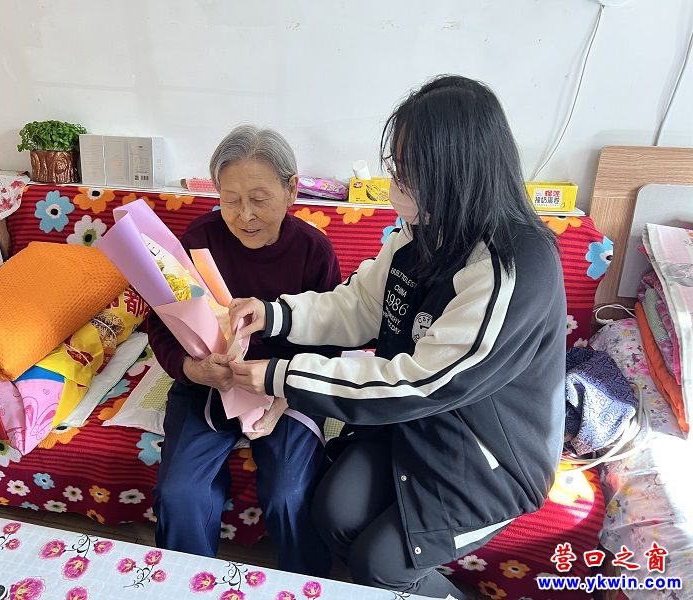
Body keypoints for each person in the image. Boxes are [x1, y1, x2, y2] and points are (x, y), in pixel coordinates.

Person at [229, 76, 566, 598]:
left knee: (379, 565)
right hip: (411, 423)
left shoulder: (512, 267)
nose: (395, 179)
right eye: (397, 164)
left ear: (454, 169)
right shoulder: (422, 231)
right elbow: (359, 305)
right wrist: (272, 315)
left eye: (408, 168)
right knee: (332, 513)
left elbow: (421, 382)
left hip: (487, 456)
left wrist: (281, 376)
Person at [148, 125, 340, 577]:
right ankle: (187, 583)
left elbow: (331, 343)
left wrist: (282, 401)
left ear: (292, 189)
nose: (244, 216)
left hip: (288, 384)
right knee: (180, 493)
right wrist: (192, 370)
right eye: (230, 200)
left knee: (289, 494)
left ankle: (305, 585)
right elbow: (161, 322)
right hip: (210, 382)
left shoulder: (313, 250)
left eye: (259, 199)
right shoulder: (200, 238)